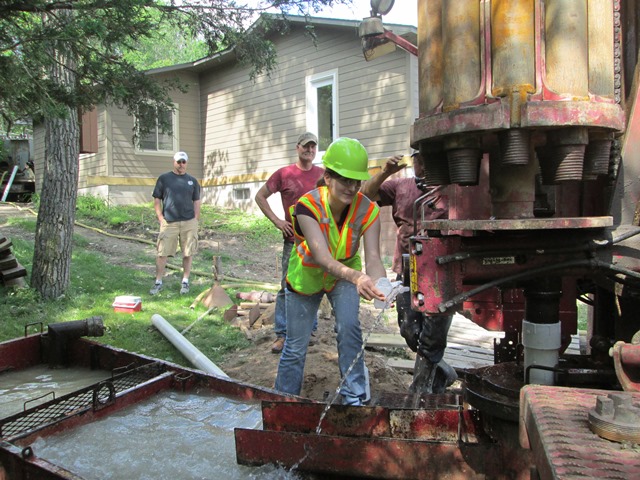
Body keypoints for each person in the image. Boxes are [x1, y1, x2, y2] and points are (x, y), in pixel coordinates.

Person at [273, 137, 388, 406]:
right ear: (327, 177)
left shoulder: (368, 210)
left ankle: (355, 397)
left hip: (344, 276)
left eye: (357, 181)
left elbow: (373, 257)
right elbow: (322, 257)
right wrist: (357, 277)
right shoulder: (306, 206)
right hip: (307, 277)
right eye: (345, 180)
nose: (352, 187)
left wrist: (382, 284)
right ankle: (282, 402)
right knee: (296, 346)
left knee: (350, 330)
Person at [360, 151, 457, 394]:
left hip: (441, 274)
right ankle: (443, 371)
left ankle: (420, 391)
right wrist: (384, 172)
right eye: (418, 158)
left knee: (432, 336)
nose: (421, 164)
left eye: (426, 158)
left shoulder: (454, 189)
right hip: (407, 271)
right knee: (408, 329)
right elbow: (363, 195)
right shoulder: (401, 186)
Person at [255, 132, 324, 354]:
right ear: (297, 148)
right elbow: (260, 196)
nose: (310, 150)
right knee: (287, 286)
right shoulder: (284, 174)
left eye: (313, 147)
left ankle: (309, 330)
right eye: (306, 146)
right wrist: (277, 220)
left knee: (313, 284)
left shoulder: (323, 175)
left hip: (317, 242)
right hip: (293, 241)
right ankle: (282, 334)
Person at [149, 151, 201, 295]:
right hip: (169, 222)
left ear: (186, 163)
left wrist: (196, 218)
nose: (181, 165)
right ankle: (158, 282)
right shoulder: (164, 179)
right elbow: (157, 199)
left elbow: (196, 201)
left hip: (188, 222)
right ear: (174, 162)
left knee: (188, 253)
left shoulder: (192, 181)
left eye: (183, 162)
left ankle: (185, 281)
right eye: (178, 162)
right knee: (162, 253)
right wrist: (160, 217)